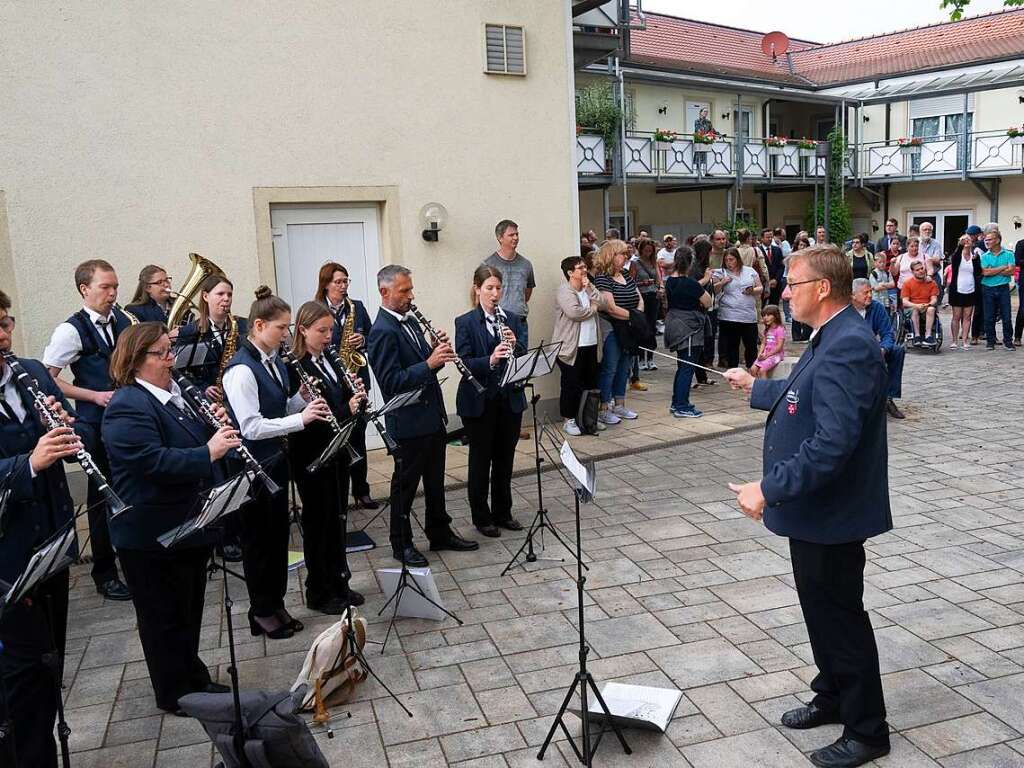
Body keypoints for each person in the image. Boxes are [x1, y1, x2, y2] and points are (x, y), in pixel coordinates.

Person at [724, 245, 892, 768]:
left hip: (832, 515)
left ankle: (867, 730)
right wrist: (757, 387)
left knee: (840, 618)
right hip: (815, 514)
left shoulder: (848, 345)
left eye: (792, 284)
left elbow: (832, 444)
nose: (784, 292)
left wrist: (768, 488)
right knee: (819, 610)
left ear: (822, 288)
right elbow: (804, 395)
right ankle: (834, 693)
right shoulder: (832, 336)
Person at [102, 322, 239, 715]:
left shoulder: (173, 396)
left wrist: (216, 429)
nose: (170, 359)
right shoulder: (128, 404)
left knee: (188, 608)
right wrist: (208, 452)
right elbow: (150, 462)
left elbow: (196, 442)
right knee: (162, 618)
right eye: (161, 353)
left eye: (170, 350)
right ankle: (173, 692)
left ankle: (192, 676)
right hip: (149, 533)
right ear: (135, 360)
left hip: (185, 525)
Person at [222, 287, 332, 639]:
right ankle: (261, 610)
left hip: (274, 462)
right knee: (258, 541)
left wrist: (300, 401)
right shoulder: (241, 370)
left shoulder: (274, 363)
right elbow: (250, 426)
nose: (287, 334)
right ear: (258, 325)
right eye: (282, 327)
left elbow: (278, 409)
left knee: (278, 536)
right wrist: (300, 421)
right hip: (252, 467)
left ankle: (276, 602)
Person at [0, 301, 82, 767]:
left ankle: (43, 749)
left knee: (52, 660)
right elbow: (31, 459)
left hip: (52, 539)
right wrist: (30, 462)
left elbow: (68, 442)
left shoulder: (29, 371)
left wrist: (66, 431)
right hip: (9, 555)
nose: (4, 335)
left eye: (6, 323)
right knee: (23, 672)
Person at [366, 265, 479, 567]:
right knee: (404, 486)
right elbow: (390, 383)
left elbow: (423, 367)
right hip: (408, 422)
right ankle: (400, 543)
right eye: (404, 291)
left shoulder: (412, 321)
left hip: (430, 416)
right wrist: (429, 363)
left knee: (434, 481)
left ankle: (439, 531)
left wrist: (435, 354)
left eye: (410, 289)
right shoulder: (380, 332)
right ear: (384, 292)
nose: (410, 295)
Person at [42, 259, 131, 601]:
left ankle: (130, 557)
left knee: (128, 488)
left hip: (125, 420)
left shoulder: (122, 320)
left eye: (115, 287)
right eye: (106, 287)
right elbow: (48, 377)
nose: (113, 294)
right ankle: (104, 572)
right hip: (94, 423)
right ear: (85, 289)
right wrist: (93, 395)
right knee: (101, 497)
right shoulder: (70, 330)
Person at [288, 302, 367, 613]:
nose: (329, 337)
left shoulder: (329, 360)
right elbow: (306, 415)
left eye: (331, 330)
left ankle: (339, 581)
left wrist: (354, 396)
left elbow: (338, 397)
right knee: (318, 522)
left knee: (337, 519)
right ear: (303, 330)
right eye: (322, 331)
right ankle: (318, 591)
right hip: (312, 454)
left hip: (336, 451)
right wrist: (344, 408)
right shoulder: (295, 366)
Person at [455, 266, 527, 537]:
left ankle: (503, 512)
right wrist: (491, 359)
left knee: (505, 459)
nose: (495, 294)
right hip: (479, 401)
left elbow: (522, 356)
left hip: (508, 399)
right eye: (489, 288)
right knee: (480, 461)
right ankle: (481, 517)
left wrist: (514, 343)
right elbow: (462, 362)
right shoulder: (465, 322)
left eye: (498, 288)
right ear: (477, 289)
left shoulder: (512, 318)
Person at [312, 262, 377, 510]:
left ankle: (362, 490)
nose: (343, 286)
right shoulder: (316, 309)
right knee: (334, 437)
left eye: (345, 281)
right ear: (326, 284)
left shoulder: (356, 308)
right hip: (331, 383)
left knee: (359, 435)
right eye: (338, 282)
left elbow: (373, 337)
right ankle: (336, 493)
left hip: (356, 379)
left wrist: (364, 339)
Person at [553, 257, 605, 436]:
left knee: (591, 384)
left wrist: (589, 287)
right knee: (571, 385)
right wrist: (593, 308)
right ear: (570, 272)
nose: (584, 270)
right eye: (580, 267)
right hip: (571, 348)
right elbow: (574, 312)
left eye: (584, 266)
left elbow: (603, 302)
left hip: (591, 344)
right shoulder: (564, 291)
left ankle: (590, 419)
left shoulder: (587, 287)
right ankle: (569, 420)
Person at [593, 239, 643, 425]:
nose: (625, 257)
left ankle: (620, 404)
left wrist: (636, 314)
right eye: (621, 253)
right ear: (611, 255)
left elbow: (639, 298)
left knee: (625, 366)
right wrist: (635, 316)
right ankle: (604, 407)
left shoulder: (626, 275)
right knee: (610, 367)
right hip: (612, 328)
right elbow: (611, 308)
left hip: (628, 327)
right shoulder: (602, 278)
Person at [176, 274, 248, 402]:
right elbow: (180, 372)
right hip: (210, 401)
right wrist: (204, 388)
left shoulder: (243, 326)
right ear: (205, 296)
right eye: (220, 294)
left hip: (242, 395)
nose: (226, 299)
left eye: (229, 294)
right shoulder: (190, 332)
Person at [664, 246, 712, 417]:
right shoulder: (690, 283)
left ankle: (677, 401)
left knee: (682, 366)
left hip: (674, 324)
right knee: (687, 367)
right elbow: (707, 302)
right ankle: (682, 405)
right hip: (689, 328)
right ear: (691, 263)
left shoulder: (669, 281)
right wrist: (706, 279)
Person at [851, 279, 906, 419]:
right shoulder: (845, 310)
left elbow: (888, 333)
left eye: (870, 291)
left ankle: (888, 397)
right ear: (853, 295)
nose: (870, 295)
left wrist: (883, 349)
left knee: (897, 351)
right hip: (850, 349)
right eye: (865, 293)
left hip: (873, 348)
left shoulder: (877, 308)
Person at [483, 219, 535, 346]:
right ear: (500, 238)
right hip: (496, 322)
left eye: (517, 234)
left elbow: (527, 293)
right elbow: (480, 295)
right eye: (511, 235)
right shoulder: (488, 264)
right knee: (499, 361)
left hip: (520, 322)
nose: (516, 237)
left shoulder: (526, 264)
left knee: (521, 360)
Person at [714, 248, 762, 369]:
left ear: (738, 259)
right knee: (732, 346)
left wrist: (752, 291)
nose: (729, 263)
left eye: (731, 259)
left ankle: (752, 369)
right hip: (729, 314)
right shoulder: (720, 273)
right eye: (726, 260)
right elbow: (714, 290)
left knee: (751, 345)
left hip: (748, 314)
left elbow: (760, 287)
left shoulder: (750, 271)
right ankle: (733, 370)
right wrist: (722, 282)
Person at [980, 227, 1016, 351]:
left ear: (997, 240)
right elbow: (985, 273)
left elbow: (1011, 271)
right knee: (989, 316)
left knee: (1006, 316)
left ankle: (1008, 342)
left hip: (1003, 288)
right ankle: (990, 341)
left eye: (989, 240)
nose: (987, 242)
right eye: (986, 240)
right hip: (987, 288)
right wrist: (1002, 267)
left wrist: (993, 270)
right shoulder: (984, 256)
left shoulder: (1009, 254)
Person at [948, 234, 982, 350]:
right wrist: (960, 245)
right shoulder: (957, 256)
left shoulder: (975, 256)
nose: (967, 241)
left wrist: (976, 260)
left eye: (969, 240)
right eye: (964, 240)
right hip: (957, 289)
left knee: (967, 317)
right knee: (956, 316)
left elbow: (978, 272)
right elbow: (955, 258)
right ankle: (954, 341)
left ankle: (965, 341)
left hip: (971, 289)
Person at [633, 238, 661, 373]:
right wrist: (643, 283)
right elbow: (631, 283)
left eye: (651, 250)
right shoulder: (635, 263)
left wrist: (660, 288)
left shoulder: (653, 262)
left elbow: (659, 279)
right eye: (646, 250)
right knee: (642, 328)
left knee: (651, 327)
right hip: (641, 297)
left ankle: (650, 357)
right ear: (641, 250)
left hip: (653, 297)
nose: (648, 253)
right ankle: (641, 358)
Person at [900, 261, 940, 346]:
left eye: (922, 268)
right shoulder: (907, 283)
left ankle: (928, 336)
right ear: (913, 272)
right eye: (917, 270)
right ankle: (917, 336)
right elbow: (905, 302)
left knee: (932, 309)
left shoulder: (932, 283)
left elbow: (934, 299)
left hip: (926, 307)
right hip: (912, 308)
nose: (921, 271)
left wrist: (928, 304)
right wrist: (916, 305)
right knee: (915, 310)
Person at [750, 305, 785, 378]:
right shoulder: (767, 329)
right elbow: (763, 343)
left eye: (768, 315)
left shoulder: (780, 329)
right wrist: (760, 353)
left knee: (762, 370)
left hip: (776, 355)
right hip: (765, 353)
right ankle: (756, 386)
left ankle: (765, 388)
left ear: (776, 316)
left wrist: (767, 355)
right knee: (753, 369)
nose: (765, 317)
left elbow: (779, 346)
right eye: (764, 315)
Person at [759, 228, 785, 305]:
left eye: (771, 237)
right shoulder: (758, 251)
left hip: (775, 285)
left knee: (774, 307)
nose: (770, 239)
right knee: (762, 307)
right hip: (763, 285)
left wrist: (776, 280)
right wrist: (767, 281)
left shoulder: (777, 250)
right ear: (762, 238)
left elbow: (781, 267)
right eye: (767, 237)